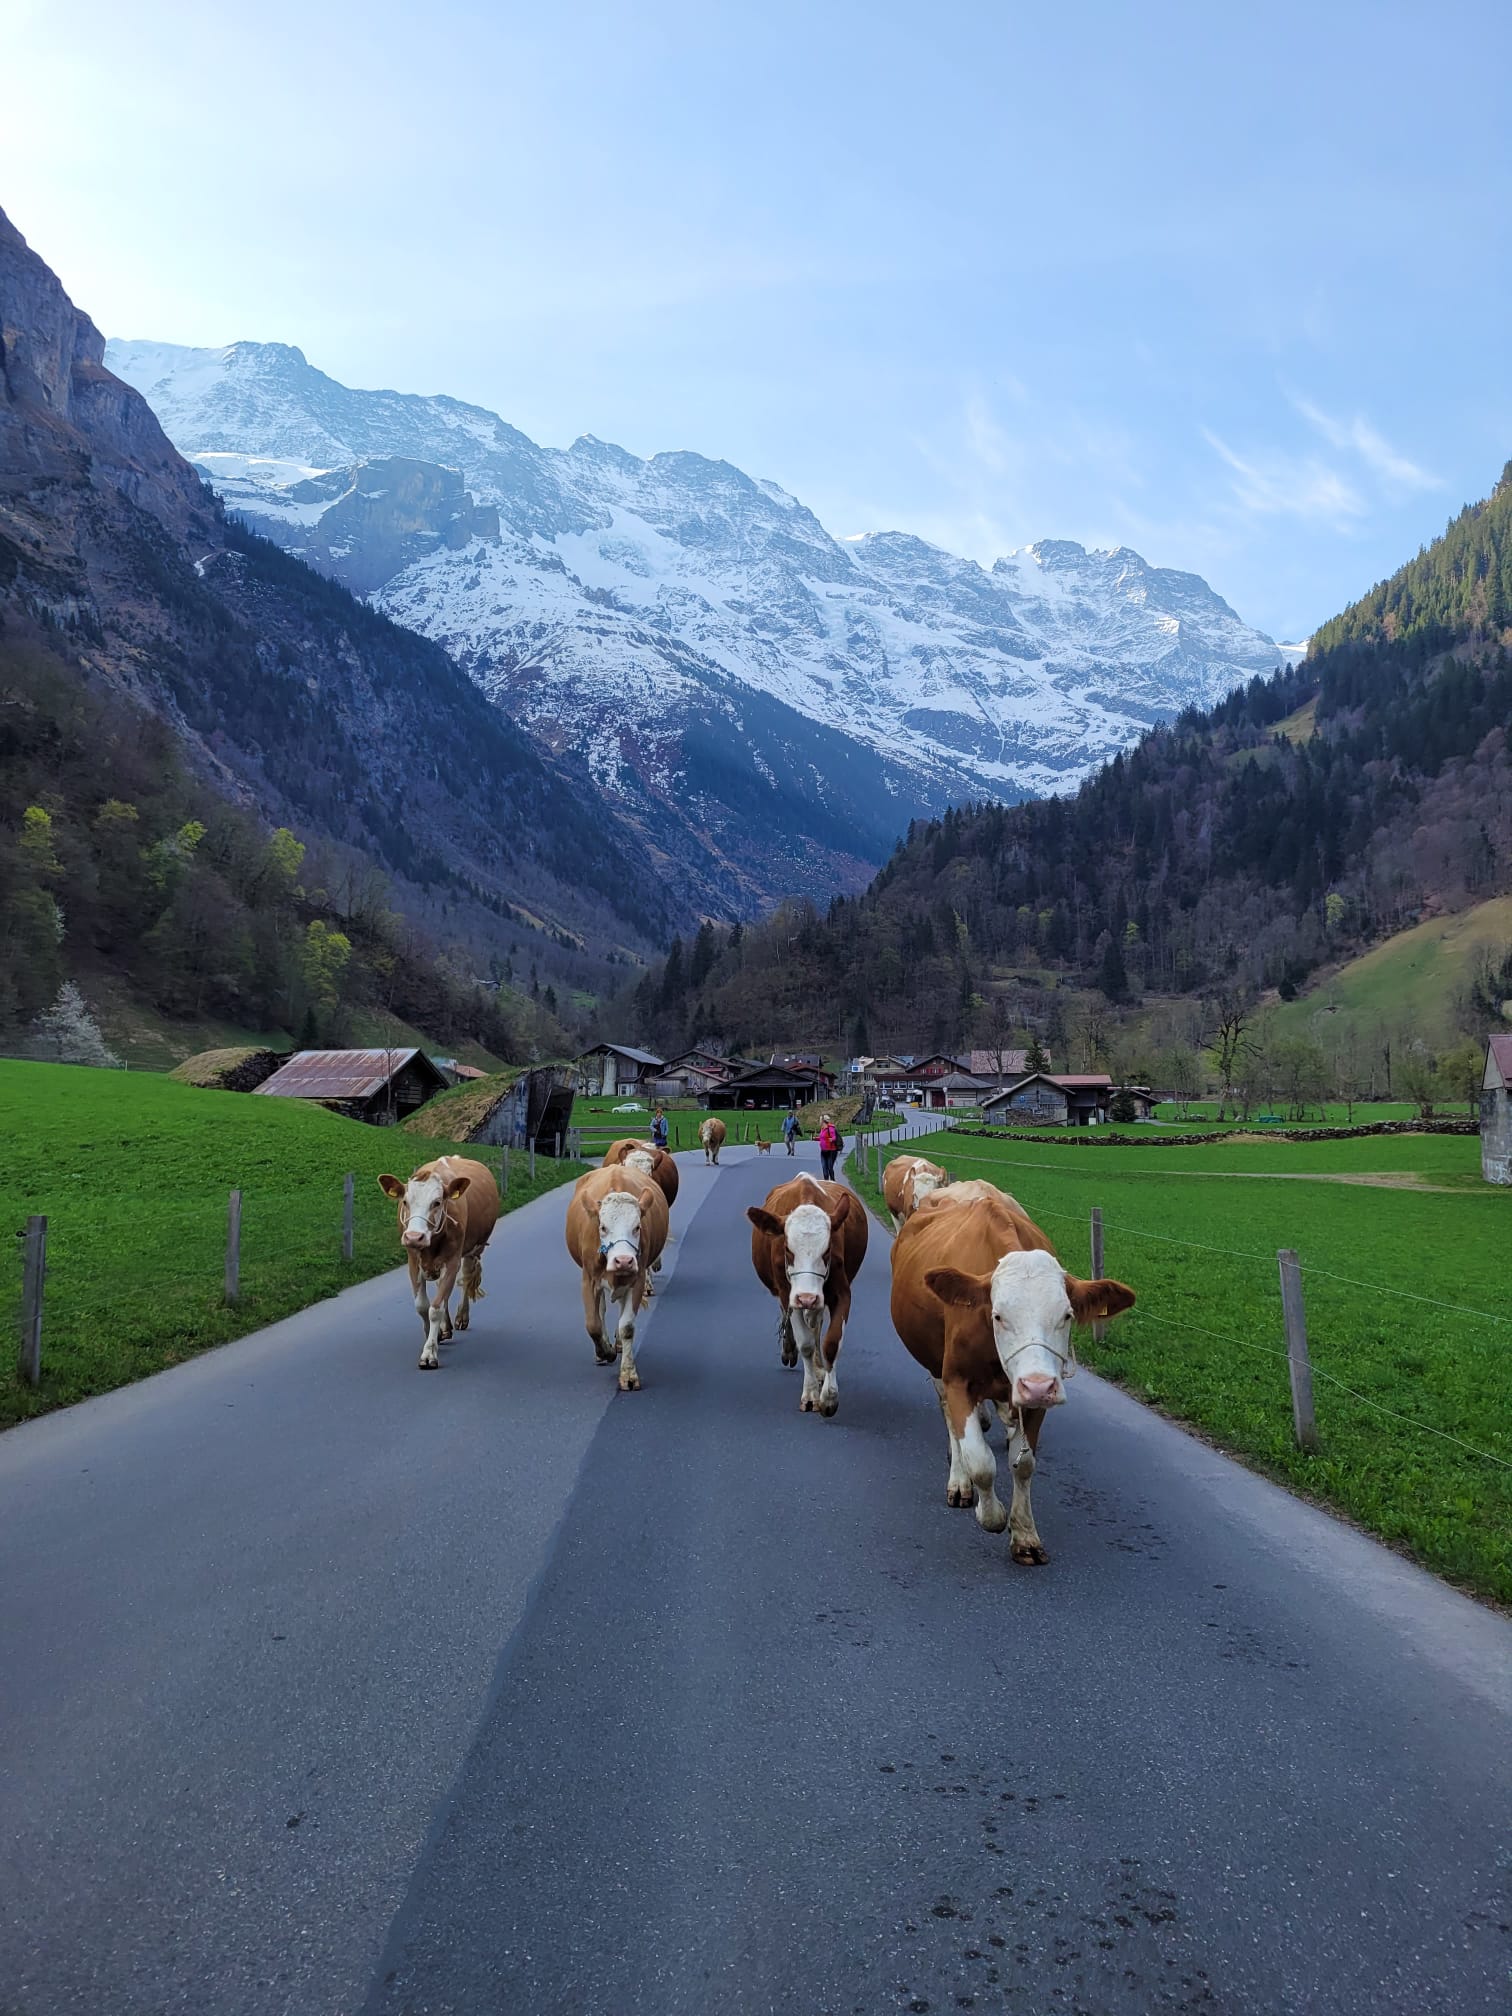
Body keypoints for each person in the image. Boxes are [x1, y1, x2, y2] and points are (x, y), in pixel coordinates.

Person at [818, 1113, 840, 1179]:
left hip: (830, 1151)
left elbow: (834, 1137)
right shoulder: (822, 1129)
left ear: (823, 1121)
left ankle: (833, 1181)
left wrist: (832, 1139)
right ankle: (826, 1183)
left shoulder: (830, 1128)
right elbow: (822, 1138)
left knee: (830, 1168)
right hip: (823, 1151)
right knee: (824, 1168)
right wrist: (814, 1138)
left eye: (820, 1120)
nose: (819, 1121)